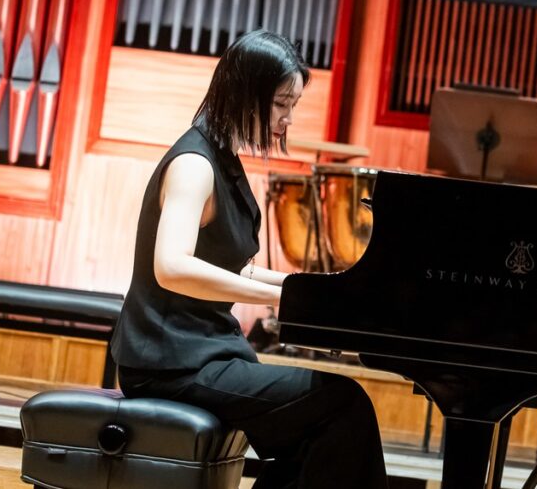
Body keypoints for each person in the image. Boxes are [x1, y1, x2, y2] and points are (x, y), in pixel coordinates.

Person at [110, 29, 388, 489]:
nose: (287, 119)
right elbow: (172, 266)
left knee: (320, 429)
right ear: (246, 93)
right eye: (281, 103)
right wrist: (283, 300)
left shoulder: (224, 159)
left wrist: (310, 291)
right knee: (342, 403)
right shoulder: (194, 165)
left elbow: (231, 266)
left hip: (202, 352)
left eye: (291, 106)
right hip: (168, 362)